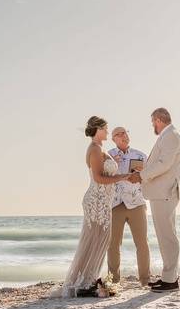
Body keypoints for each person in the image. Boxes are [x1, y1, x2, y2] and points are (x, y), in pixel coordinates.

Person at [50, 116, 131, 298]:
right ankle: (84, 282)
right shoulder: (94, 149)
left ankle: (89, 279)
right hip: (96, 202)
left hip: (103, 202)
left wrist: (115, 163)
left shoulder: (100, 149)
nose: (108, 132)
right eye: (106, 129)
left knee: (101, 239)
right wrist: (122, 177)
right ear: (98, 129)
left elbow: (105, 170)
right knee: (94, 240)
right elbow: (99, 178)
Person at [128, 107, 180, 292]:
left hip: (165, 193)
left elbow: (164, 164)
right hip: (161, 193)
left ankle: (171, 280)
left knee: (167, 236)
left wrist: (142, 175)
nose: (153, 125)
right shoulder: (167, 137)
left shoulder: (171, 136)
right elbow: (159, 163)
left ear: (159, 119)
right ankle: (168, 277)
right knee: (164, 235)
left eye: (153, 121)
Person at [107, 127, 151, 287]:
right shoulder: (108, 155)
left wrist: (140, 177)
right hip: (115, 204)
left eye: (125, 132)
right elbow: (102, 177)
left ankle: (145, 280)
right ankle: (113, 281)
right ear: (113, 139)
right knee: (112, 245)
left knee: (142, 243)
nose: (123, 136)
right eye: (119, 134)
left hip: (137, 203)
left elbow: (149, 177)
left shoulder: (140, 155)